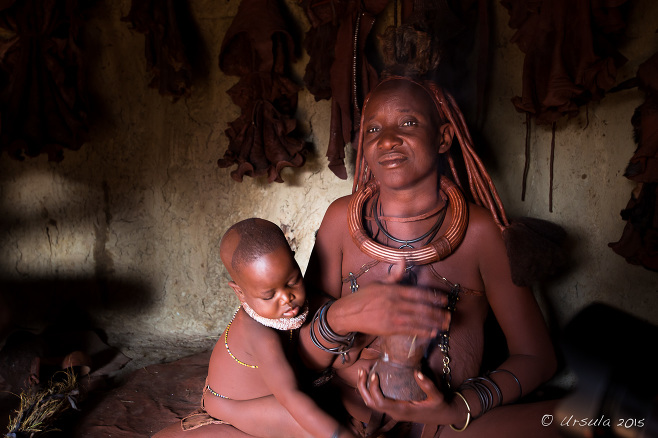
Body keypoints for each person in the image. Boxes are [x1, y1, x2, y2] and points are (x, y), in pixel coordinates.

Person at [153, 218, 355, 438]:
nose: (287, 298)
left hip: (273, 392)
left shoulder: (291, 306)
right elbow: (290, 397)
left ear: (296, 264)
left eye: (293, 281)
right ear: (240, 293)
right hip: (232, 404)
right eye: (269, 295)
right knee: (305, 426)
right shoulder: (258, 333)